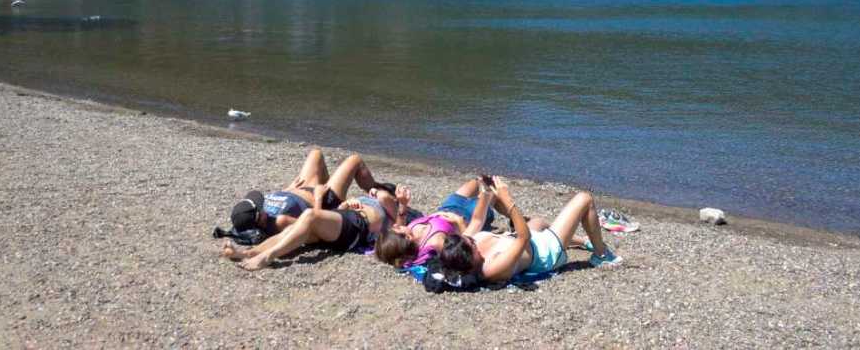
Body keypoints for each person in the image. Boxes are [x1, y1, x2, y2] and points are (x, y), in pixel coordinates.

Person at [437, 177, 622, 284]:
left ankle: (585, 241)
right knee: (584, 199)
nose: (474, 240)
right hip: (546, 250)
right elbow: (523, 237)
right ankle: (601, 255)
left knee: (538, 222)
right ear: (470, 261)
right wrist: (508, 201)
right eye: (473, 244)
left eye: (470, 239)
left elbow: (478, 220)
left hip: (526, 239)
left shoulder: (463, 246)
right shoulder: (491, 268)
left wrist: (486, 191)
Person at [226, 148, 404, 239]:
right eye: (259, 206)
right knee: (354, 160)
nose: (261, 203)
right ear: (260, 219)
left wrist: (287, 189)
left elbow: (277, 201)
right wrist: (319, 196)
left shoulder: (261, 213)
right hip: (325, 199)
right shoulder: (278, 222)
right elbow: (312, 224)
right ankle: (376, 189)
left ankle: (334, 183)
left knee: (315, 154)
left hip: (300, 189)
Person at [223, 189, 399, 270]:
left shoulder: (389, 205)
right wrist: (346, 204)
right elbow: (340, 211)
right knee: (292, 229)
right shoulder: (369, 200)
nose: (374, 193)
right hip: (344, 223)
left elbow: (397, 221)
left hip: (358, 227)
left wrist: (382, 194)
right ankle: (248, 253)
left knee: (309, 215)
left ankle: (267, 257)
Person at [374, 177, 500, 268]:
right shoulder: (435, 243)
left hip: (448, 207)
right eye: (396, 229)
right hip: (469, 216)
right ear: (407, 238)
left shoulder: (409, 237)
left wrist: (402, 204)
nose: (396, 225)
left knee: (477, 181)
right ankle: (509, 212)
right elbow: (464, 245)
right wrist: (460, 223)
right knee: (492, 187)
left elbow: (400, 225)